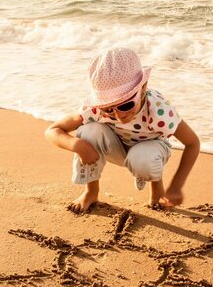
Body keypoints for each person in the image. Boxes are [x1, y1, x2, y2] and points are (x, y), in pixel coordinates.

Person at [44, 47, 200, 213]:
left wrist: (176, 186)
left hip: (151, 151)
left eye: (126, 105)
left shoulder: (159, 110)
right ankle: (91, 192)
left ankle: (156, 187)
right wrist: (77, 145)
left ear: (143, 88)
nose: (118, 115)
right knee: (89, 131)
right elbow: (52, 130)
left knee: (144, 157)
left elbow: (193, 143)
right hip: (116, 148)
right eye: (108, 109)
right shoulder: (96, 110)